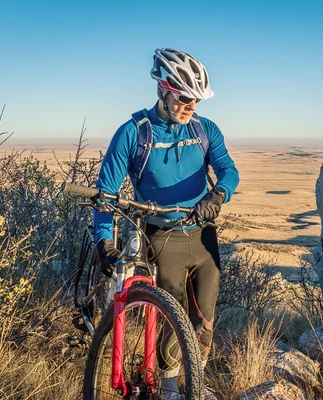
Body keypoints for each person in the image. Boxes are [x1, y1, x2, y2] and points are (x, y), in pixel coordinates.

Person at [93, 48, 239, 399]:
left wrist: (218, 195)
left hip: (202, 235)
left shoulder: (205, 129)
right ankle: (170, 389)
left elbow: (228, 170)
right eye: (184, 98)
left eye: (196, 101)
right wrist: (104, 241)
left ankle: (196, 386)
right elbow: (106, 194)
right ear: (163, 89)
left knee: (204, 319)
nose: (191, 107)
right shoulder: (133, 133)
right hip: (161, 235)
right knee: (173, 313)